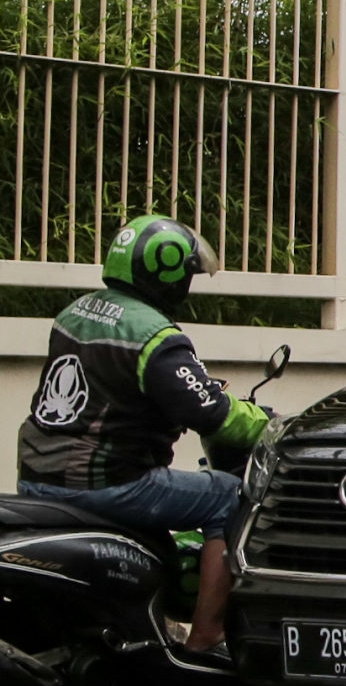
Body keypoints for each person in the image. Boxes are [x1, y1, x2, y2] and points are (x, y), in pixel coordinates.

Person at [17, 216, 269, 654]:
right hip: (105, 483)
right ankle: (208, 636)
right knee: (229, 496)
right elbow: (214, 416)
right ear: (167, 275)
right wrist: (272, 423)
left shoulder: (74, 313)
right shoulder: (155, 337)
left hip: (37, 474)